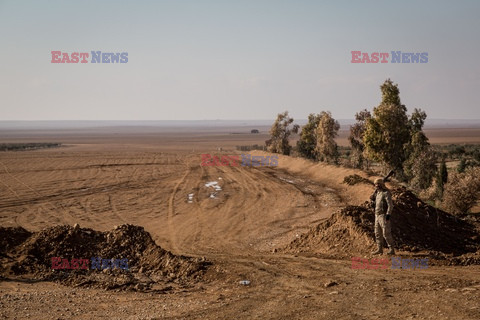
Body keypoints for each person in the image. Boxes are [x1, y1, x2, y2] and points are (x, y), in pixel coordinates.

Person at [370, 178, 395, 255]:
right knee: (377, 233)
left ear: (381, 184)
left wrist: (388, 215)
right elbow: (373, 199)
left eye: (378, 184)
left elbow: (390, 205)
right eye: (376, 184)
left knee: (386, 233)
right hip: (377, 215)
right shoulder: (377, 193)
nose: (377, 185)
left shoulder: (386, 193)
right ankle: (379, 249)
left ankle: (391, 249)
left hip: (383, 215)